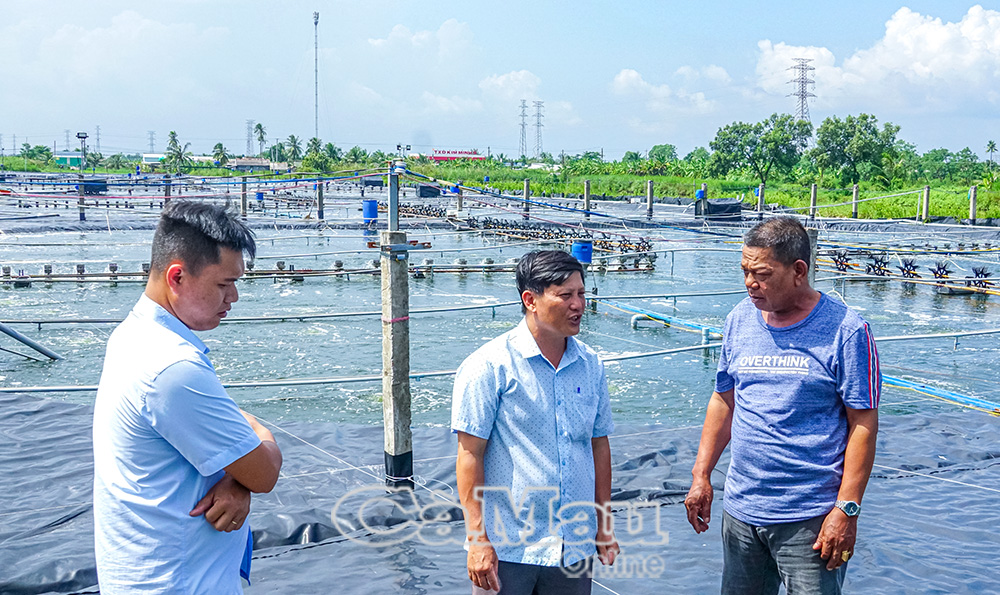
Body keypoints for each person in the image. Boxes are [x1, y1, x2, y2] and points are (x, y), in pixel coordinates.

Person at [93, 200, 282, 594]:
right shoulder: (172, 368)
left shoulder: (132, 336)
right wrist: (258, 433)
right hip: (180, 582)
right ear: (177, 277)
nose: (233, 297)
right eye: (223, 284)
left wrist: (237, 480)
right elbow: (264, 472)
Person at [684, 217, 880, 594]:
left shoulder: (847, 331)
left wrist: (847, 509)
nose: (749, 283)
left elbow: (863, 423)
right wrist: (701, 475)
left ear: (798, 271)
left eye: (762, 274)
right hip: (742, 510)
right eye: (745, 271)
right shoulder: (739, 319)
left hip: (810, 519)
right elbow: (724, 399)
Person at [452, 250, 618, 595]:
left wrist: (603, 524)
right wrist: (478, 539)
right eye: (565, 295)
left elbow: (598, 445)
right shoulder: (489, 366)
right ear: (531, 300)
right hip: (508, 547)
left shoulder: (590, 365)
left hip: (573, 546)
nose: (578, 305)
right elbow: (470, 454)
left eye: (582, 293)